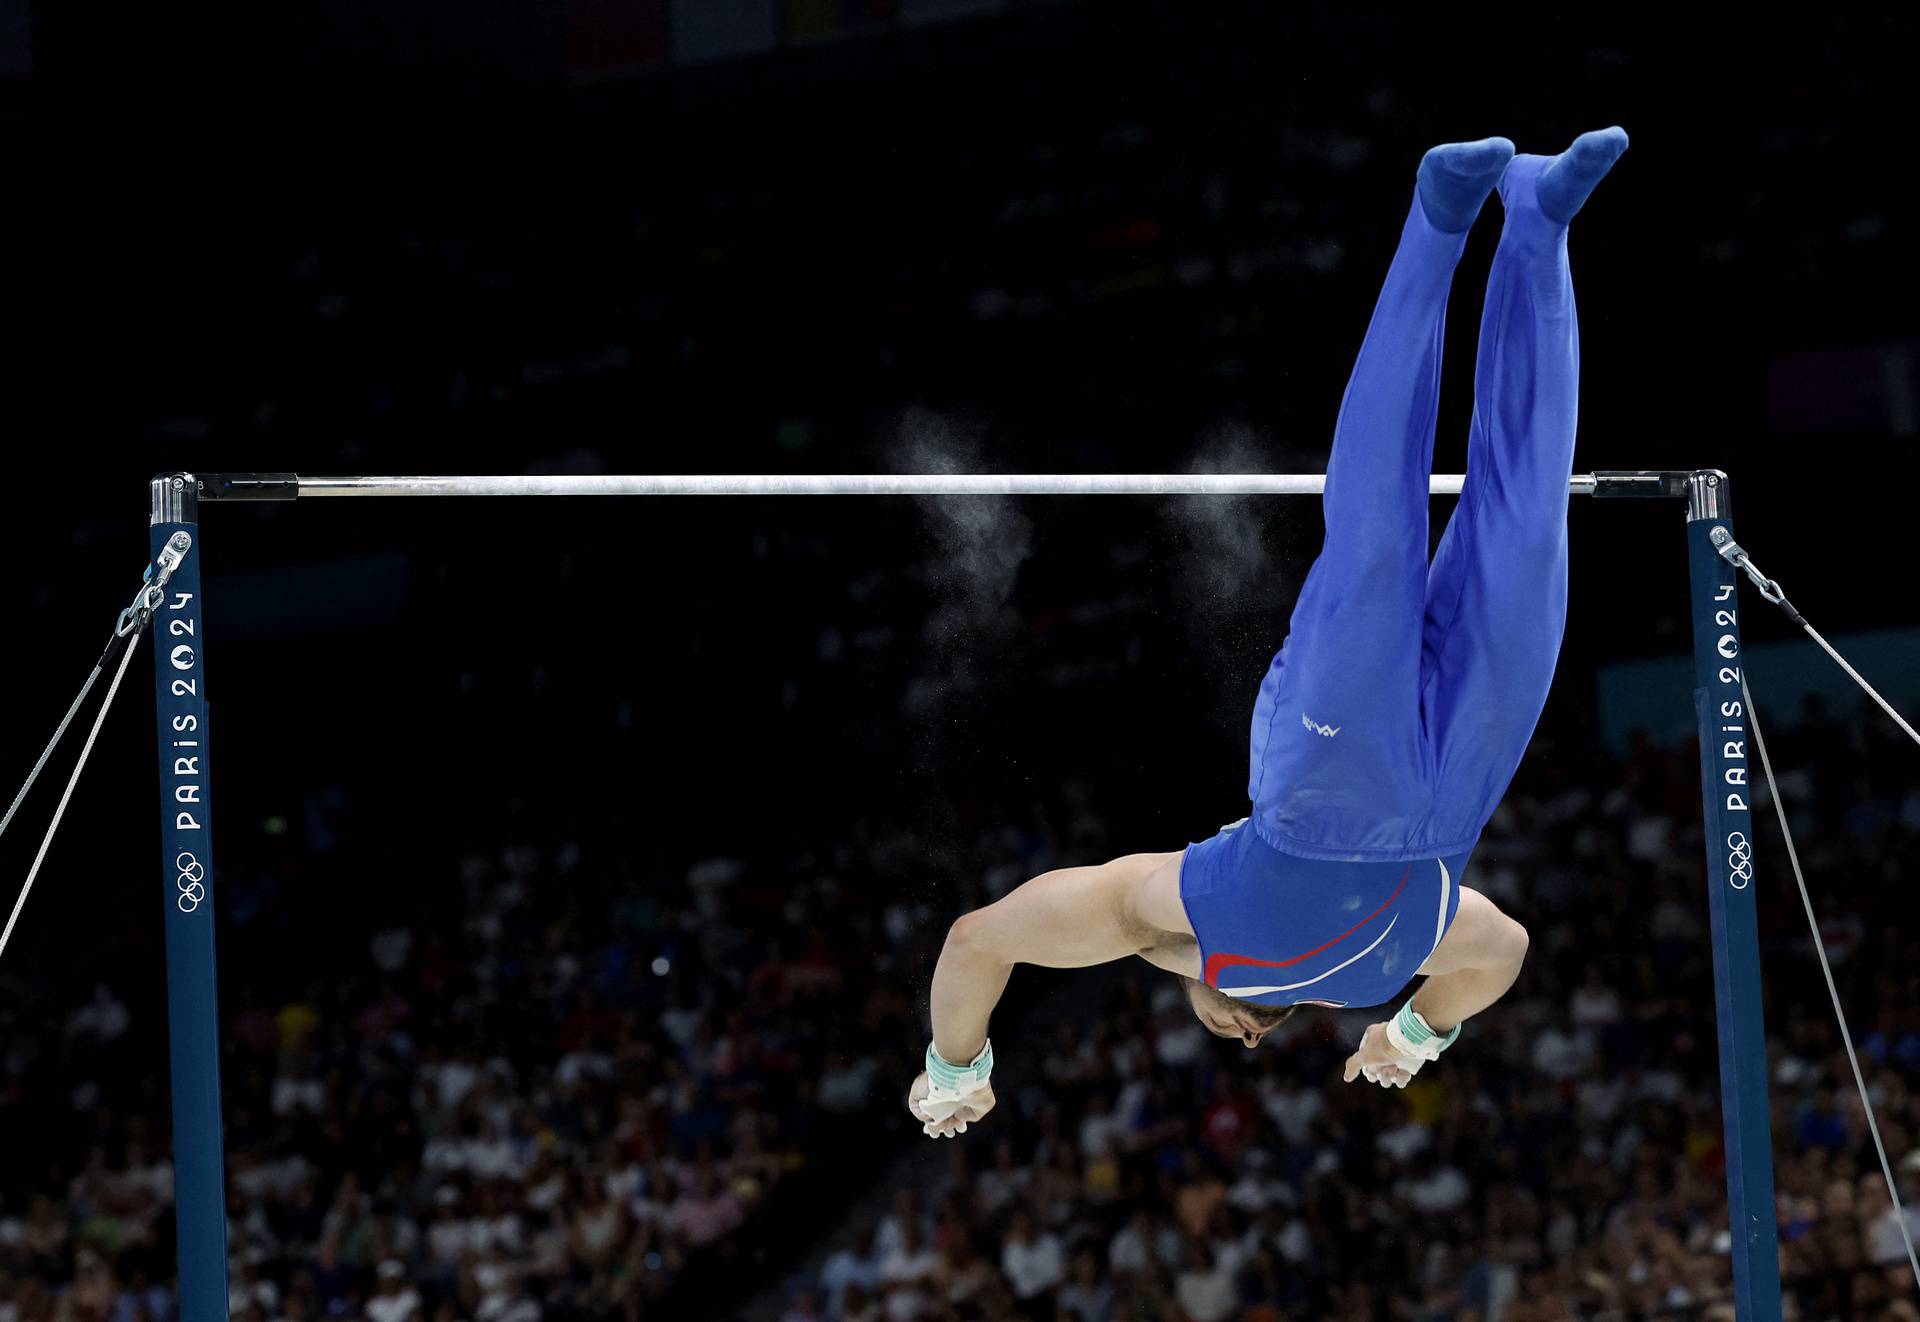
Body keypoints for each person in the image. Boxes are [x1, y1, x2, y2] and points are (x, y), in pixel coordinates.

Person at [908, 128, 1631, 1138]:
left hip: (1388, 780)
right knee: (1482, 516)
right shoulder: (1260, 933)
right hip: (1419, 777)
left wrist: (1415, 1033)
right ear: (1253, 1022)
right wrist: (953, 1069)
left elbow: (1500, 953)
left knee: (1435, 518)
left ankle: (1470, 222)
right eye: (1229, 1023)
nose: (1224, 1022)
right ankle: (1529, 220)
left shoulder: (1265, 931)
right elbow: (978, 939)